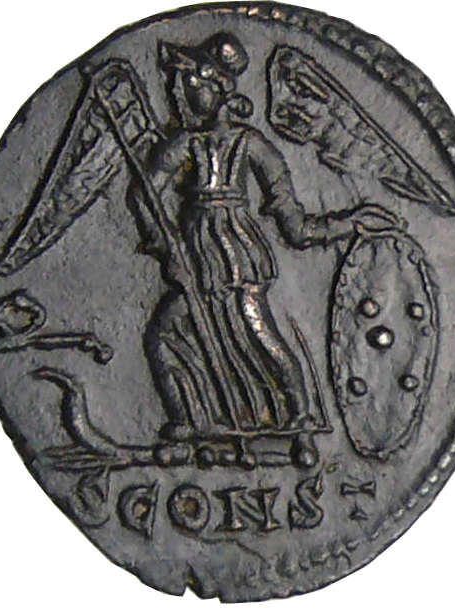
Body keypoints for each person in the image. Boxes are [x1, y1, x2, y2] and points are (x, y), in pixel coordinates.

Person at [128, 34, 397, 467]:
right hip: (194, 260)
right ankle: (189, 423)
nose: (179, 92)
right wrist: (165, 247)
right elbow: (143, 195)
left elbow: (295, 224)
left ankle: (301, 423)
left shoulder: (251, 145)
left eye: (189, 82)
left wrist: (349, 223)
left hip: (237, 256)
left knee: (258, 336)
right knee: (165, 337)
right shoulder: (184, 145)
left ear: (216, 87)